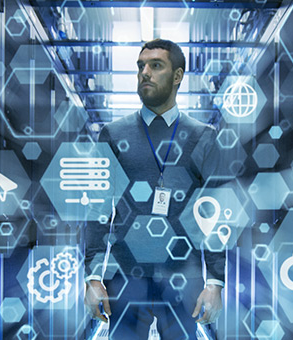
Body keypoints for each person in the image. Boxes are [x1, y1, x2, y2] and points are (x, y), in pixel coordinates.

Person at [82, 39, 225, 339]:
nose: (144, 72)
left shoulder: (203, 138)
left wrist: (215, 282)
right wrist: (93, 277)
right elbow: (97, 209)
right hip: (124, 276)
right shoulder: (113, 134)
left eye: (155, 65)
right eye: (140, 66)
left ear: (177, 76)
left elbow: (215, 214)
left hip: (182, 278)